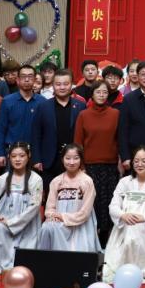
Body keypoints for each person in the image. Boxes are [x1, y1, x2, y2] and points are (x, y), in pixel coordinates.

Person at [103, 146, 145, 283]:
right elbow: (113, 206)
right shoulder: (124, 182)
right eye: (136, 161)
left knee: (135, 232)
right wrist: (123, 215)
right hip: (126, 227)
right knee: (130, 233)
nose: (140, 164)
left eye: (144, 161)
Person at [0, 142, 43, 275]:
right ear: (9, 157)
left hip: (25, 223)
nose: (17, 159)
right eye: (14, 156)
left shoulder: (36, 179)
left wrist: (11, 222)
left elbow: (34, 206)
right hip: (3, 219)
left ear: (29, 156)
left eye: (21, 156)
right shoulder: (4, 178)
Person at [73, 80, 121, 245]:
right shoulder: (83, 115)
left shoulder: (115, 114)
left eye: (105, 92)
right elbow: (78, 143)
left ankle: (106, 238)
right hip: (90, 167)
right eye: (98, 92)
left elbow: (119, 139)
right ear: (92, 95)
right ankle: (91, 238)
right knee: (92, 202)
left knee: (108, 202)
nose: (101, 95)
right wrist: (81, 166)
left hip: (110, 166)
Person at [39, 144, 103, 253]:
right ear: (62, 159)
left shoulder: (87, 181)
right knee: (46, 227)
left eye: (76, 158)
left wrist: (63, 217)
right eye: (68, 158)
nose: (71, 162)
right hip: (59, 226)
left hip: (81, 226)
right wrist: (52, 216)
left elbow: (85, 213)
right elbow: (49, 208)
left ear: (81, 159)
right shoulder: (56, 181)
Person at [31, 69, 87, 181]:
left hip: (74, 159)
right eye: (58, 84)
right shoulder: (43, 106)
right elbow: (36, 134)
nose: (62, 87)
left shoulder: (80, 106)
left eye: (66, 84)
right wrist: (36, 159)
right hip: (49, 160)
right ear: (53, 85)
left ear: (72, 85)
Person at [0, 65, 45, 173]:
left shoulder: (43, 102)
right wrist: (0, 153)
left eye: (30, 76)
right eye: (23, 76)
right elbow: (0, 129)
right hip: (12, 153)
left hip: (35, 154)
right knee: (10, 183)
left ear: (34, 80)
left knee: (34, 183)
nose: (27, 79)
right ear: (17, 80)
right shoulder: (7, 101)